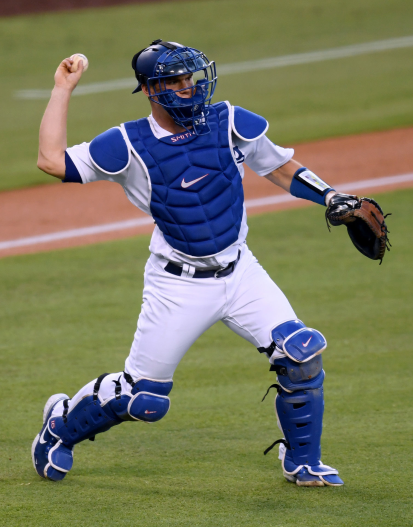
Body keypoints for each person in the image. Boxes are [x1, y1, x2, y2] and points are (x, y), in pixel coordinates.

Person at [32, 40, 346, 486]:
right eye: (176, 80)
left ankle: (303, 462)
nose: (189, 87)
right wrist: (62, 89)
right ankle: (60, 425)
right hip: (177, 285)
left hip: (241, 272)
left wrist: (331, 195)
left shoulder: (229, 121)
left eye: (190, 77)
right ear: (150, 89)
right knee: (143, 399)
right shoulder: (128, 143)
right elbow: (51, 161)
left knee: (302, 355)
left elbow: (279, 166)